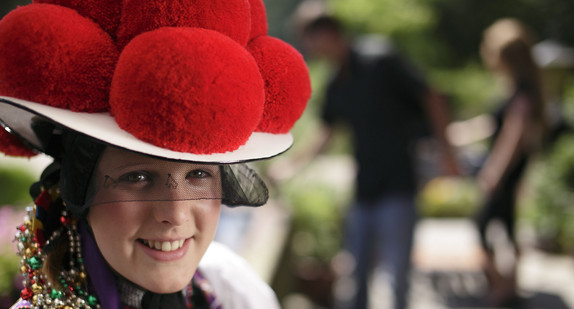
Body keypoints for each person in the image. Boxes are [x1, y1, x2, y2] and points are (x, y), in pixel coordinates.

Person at [0, 0, 311, 308]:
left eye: (198, 174)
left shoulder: (234, 292)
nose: (175, 215)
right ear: (79, 187)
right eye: (138, 177)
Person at [294, 15, 459, 309]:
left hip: (399, 183)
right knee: (356, 275)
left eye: (311, 38)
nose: (310, 48)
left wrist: (447, 153)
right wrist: (293, 165)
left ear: (330, 33)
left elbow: (431, 96)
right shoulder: (337, 80)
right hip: (364, 189)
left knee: (397, 275)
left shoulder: (380, 58)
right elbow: (326, 131)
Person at [475, 18, 546, 306]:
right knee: (507, 227)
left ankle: (501, 287)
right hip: (513, 171)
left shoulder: (523, 92)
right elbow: (498, 125)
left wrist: (494, 172)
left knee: (484, 226)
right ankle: (510, 285)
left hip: (506, 171)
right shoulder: (524, 87)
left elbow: (513, 135)